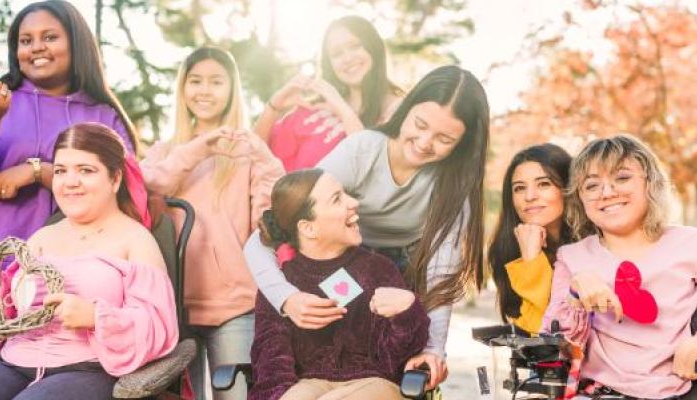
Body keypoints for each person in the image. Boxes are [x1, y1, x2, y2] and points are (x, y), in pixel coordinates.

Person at [245, 65, 490, 390]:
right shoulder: (362, 150)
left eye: (444, 139)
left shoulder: (453, 187)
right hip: (342, 260)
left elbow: (440, 275)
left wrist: (433, 350)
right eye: (420, 124)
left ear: (462, 145)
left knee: (391, 370)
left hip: (405, 276)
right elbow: (273, 228)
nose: (424, 142)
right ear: (406, 108)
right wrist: (286, 298)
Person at [0, 0, 136, 365]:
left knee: (32, 383)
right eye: (25, 40)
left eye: (49, 37)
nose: (36, 47)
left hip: (55, 283)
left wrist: (38, 172)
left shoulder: (102, 114)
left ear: (76, 43)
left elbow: (127, 189)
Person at [0, 123, 177, 400]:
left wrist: (95, 318)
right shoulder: (42, 237)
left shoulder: (135, 240)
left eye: (86, 170)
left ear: (115, 179)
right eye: (60, 171)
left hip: (89, 370)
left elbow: (158, 328)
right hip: (14, 364)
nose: (70, 182)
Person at [140, 46, 285, 400]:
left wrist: (261, 154)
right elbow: (147, 184)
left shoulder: (247, 150)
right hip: (173, 306)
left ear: (231, 89)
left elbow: (270, 212)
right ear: (183, 88)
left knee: (235, 395)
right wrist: (196, 150)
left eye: (216, 82)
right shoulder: (166, 150)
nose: (205, 90)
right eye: (196, 81)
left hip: (234, 305)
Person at [542, 134, 697, 399]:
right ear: (580, 198)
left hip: (677, 391)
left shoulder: (695, 243)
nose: (607, 192)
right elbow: (554, 345)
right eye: (591, 185)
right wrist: (575, 297)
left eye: (621, 178)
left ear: (651, 183)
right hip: (597, 393)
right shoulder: (571, 257)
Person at [249, 169, 430, 400]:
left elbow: (394, 362)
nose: (353, 203)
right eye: (337, 199)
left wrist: (407, 312)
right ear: (308, 228)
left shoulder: (378, 269)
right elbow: (271, 363)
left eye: (346, 194)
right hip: (307, 384)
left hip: (374, 381)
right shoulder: (283, 286)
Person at [254, 15, 404, 171]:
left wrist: (342, 108)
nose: (347, 58)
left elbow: (371, 171)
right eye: (337, 54)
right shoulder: (315, 109)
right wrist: (273, 107)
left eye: (355, 46)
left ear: (373, 46)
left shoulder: (402, 112)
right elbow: (253, 152)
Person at [488, 143, 572, 334]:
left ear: (567, 187)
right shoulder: (508, 250)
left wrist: (532, 264)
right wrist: (530, 257)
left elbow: (558, 331)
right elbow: (535, 334)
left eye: (544, 184)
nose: (529, 196)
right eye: (519, 188)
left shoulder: (592, 246)